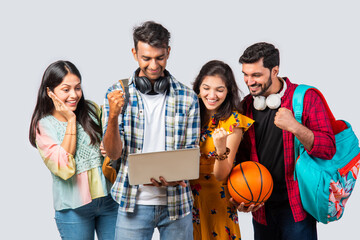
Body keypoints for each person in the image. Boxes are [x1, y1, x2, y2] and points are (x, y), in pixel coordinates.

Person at [102, 21, 200, 240]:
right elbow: (113, 154)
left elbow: (191, 152)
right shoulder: (117, 93)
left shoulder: (188, 97)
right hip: (133, 202)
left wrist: (179, 176)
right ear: (134, 53)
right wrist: (113, 115)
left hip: (177, 204)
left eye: (160, 57)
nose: (154, 65)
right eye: (146, 58)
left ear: (168, 52)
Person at [233, 42, 336, 240]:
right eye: (245, 74)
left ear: (275, 71)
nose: (249, 81)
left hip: (297, 208)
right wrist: (240, 196)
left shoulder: (307, 98)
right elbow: (242, 160)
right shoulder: (246, 106)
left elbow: (328, 148)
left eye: (256, 75)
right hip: (261, 208)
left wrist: (295, 127)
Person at [29, 60, 118, 239]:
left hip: (109, 201)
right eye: (66, 89)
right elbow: (63, 168)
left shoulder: (92, 109)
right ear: (49, 92)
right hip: (73, 209)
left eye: (77, 88)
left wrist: (107, 146)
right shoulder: (43, 126)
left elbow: (115, 142)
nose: (74, 95)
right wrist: (70, 120)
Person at [190, 60, 254, 240]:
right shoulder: (189, 114)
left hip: (217, 202)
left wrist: (220, 148)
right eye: (206, 88)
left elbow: (221, 174)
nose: (212, 95)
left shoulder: (233, 122)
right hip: (186, 201)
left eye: (219, 89)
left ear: (228, 92)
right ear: (198, 88)